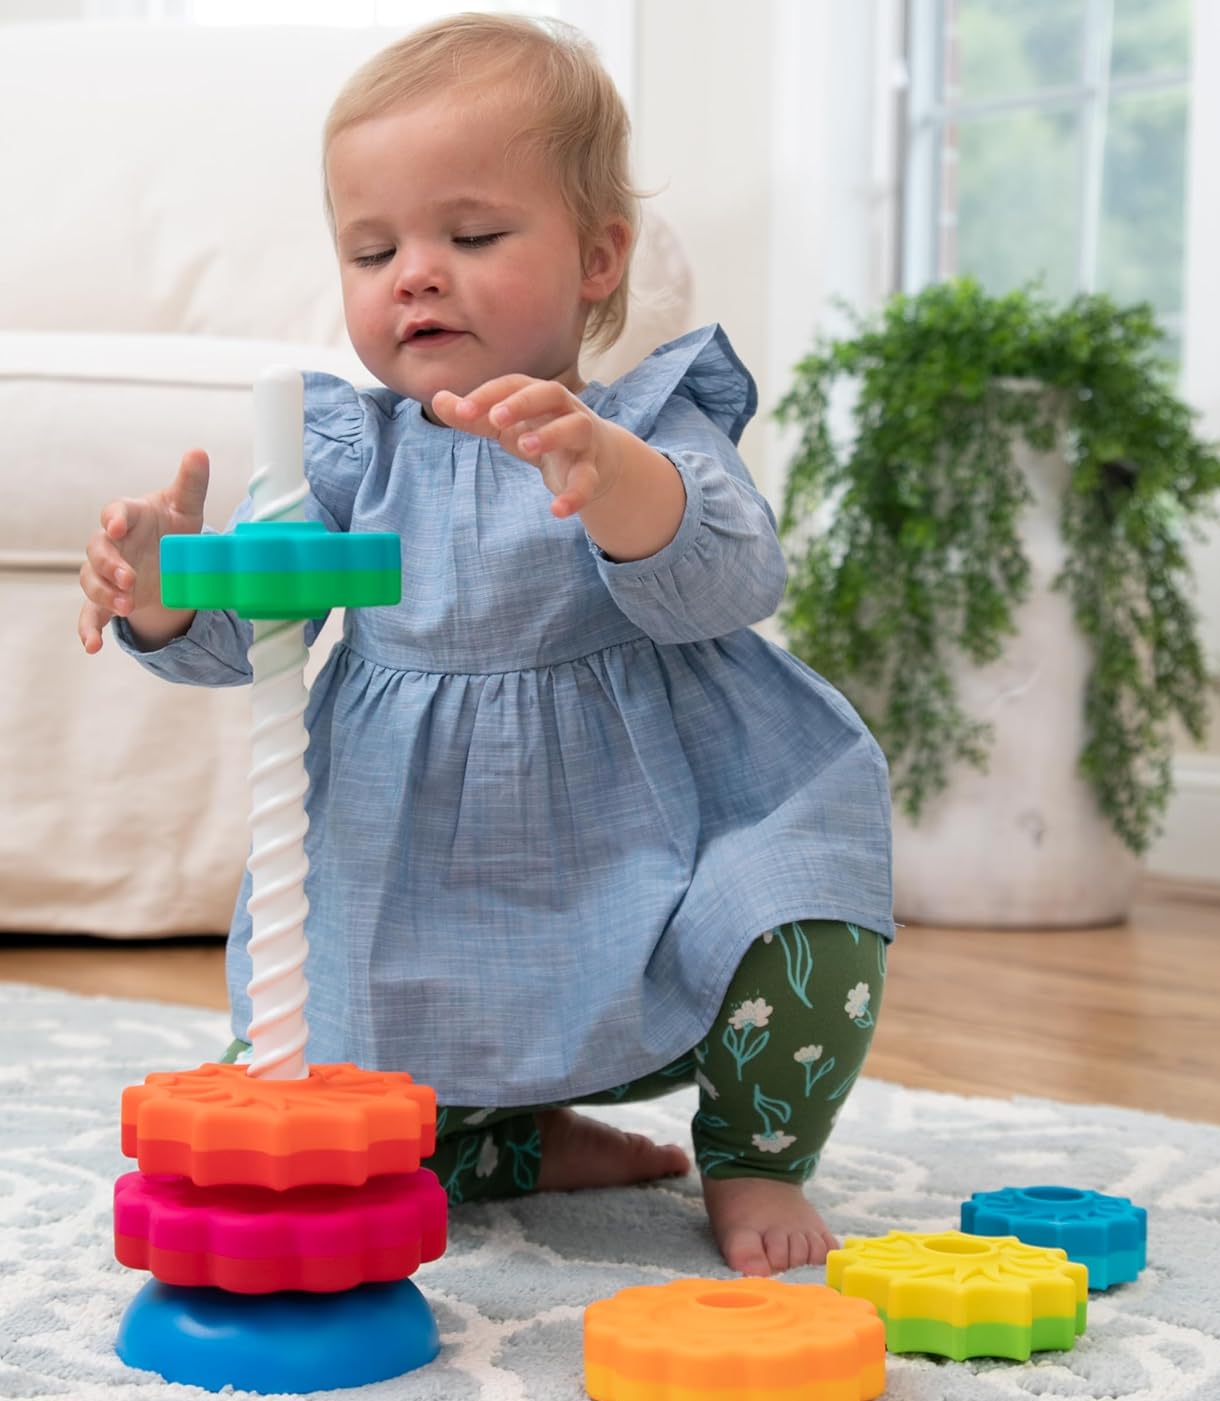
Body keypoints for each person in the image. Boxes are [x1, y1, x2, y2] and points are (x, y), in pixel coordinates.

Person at [76, 13, 894, 1278]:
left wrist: (609, 476)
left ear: (599, 259)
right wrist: (164, 590)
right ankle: (522, 1143)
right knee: (328, 1129)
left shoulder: (649, 421)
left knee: (805, 920)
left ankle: (753, 1154)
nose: (415, 272)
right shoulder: (349, 452)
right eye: (372, 247)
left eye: (472, 236)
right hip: (417, 876)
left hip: (659, 840)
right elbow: (258, 640)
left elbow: (730, 572)